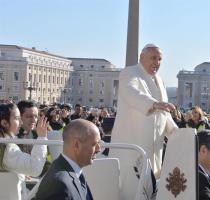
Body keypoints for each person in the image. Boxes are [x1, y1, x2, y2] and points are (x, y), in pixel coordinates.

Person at [109, 44, 178, 200]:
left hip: (155, 152)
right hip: (132, 151)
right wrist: (153, 104)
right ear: (141, 57)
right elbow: (131, 93)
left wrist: (177, 133)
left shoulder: (160, 80)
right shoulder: (130, 73)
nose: (157, 62)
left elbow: (164, 113)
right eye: (153, 58)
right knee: (131, 192)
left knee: (151, 192)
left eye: (160, 59)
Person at [35, 119, 101, 200]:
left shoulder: (70, 173)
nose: (99, 149)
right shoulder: (59, 184)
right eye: (94, 144)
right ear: (77, 145)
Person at [0, 103, 48, 200]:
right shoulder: (7, 148)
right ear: (4, 123)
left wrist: (21, 173)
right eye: (17, 118)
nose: (21, 123)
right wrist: (42, 138)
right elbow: (35, 168)